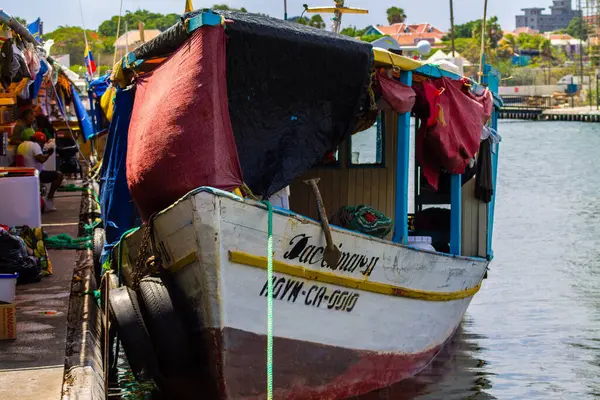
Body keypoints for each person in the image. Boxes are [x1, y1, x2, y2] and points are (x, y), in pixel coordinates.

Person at [16, 132, 63, 212]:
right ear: (40, 141)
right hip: (36, 174)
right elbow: (41, 159)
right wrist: (49, 154)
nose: (43, 145)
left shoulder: (22, 145)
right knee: (59, 175)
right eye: (43, 143)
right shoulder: (35, 145)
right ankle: (49, 199)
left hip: (25, 173)